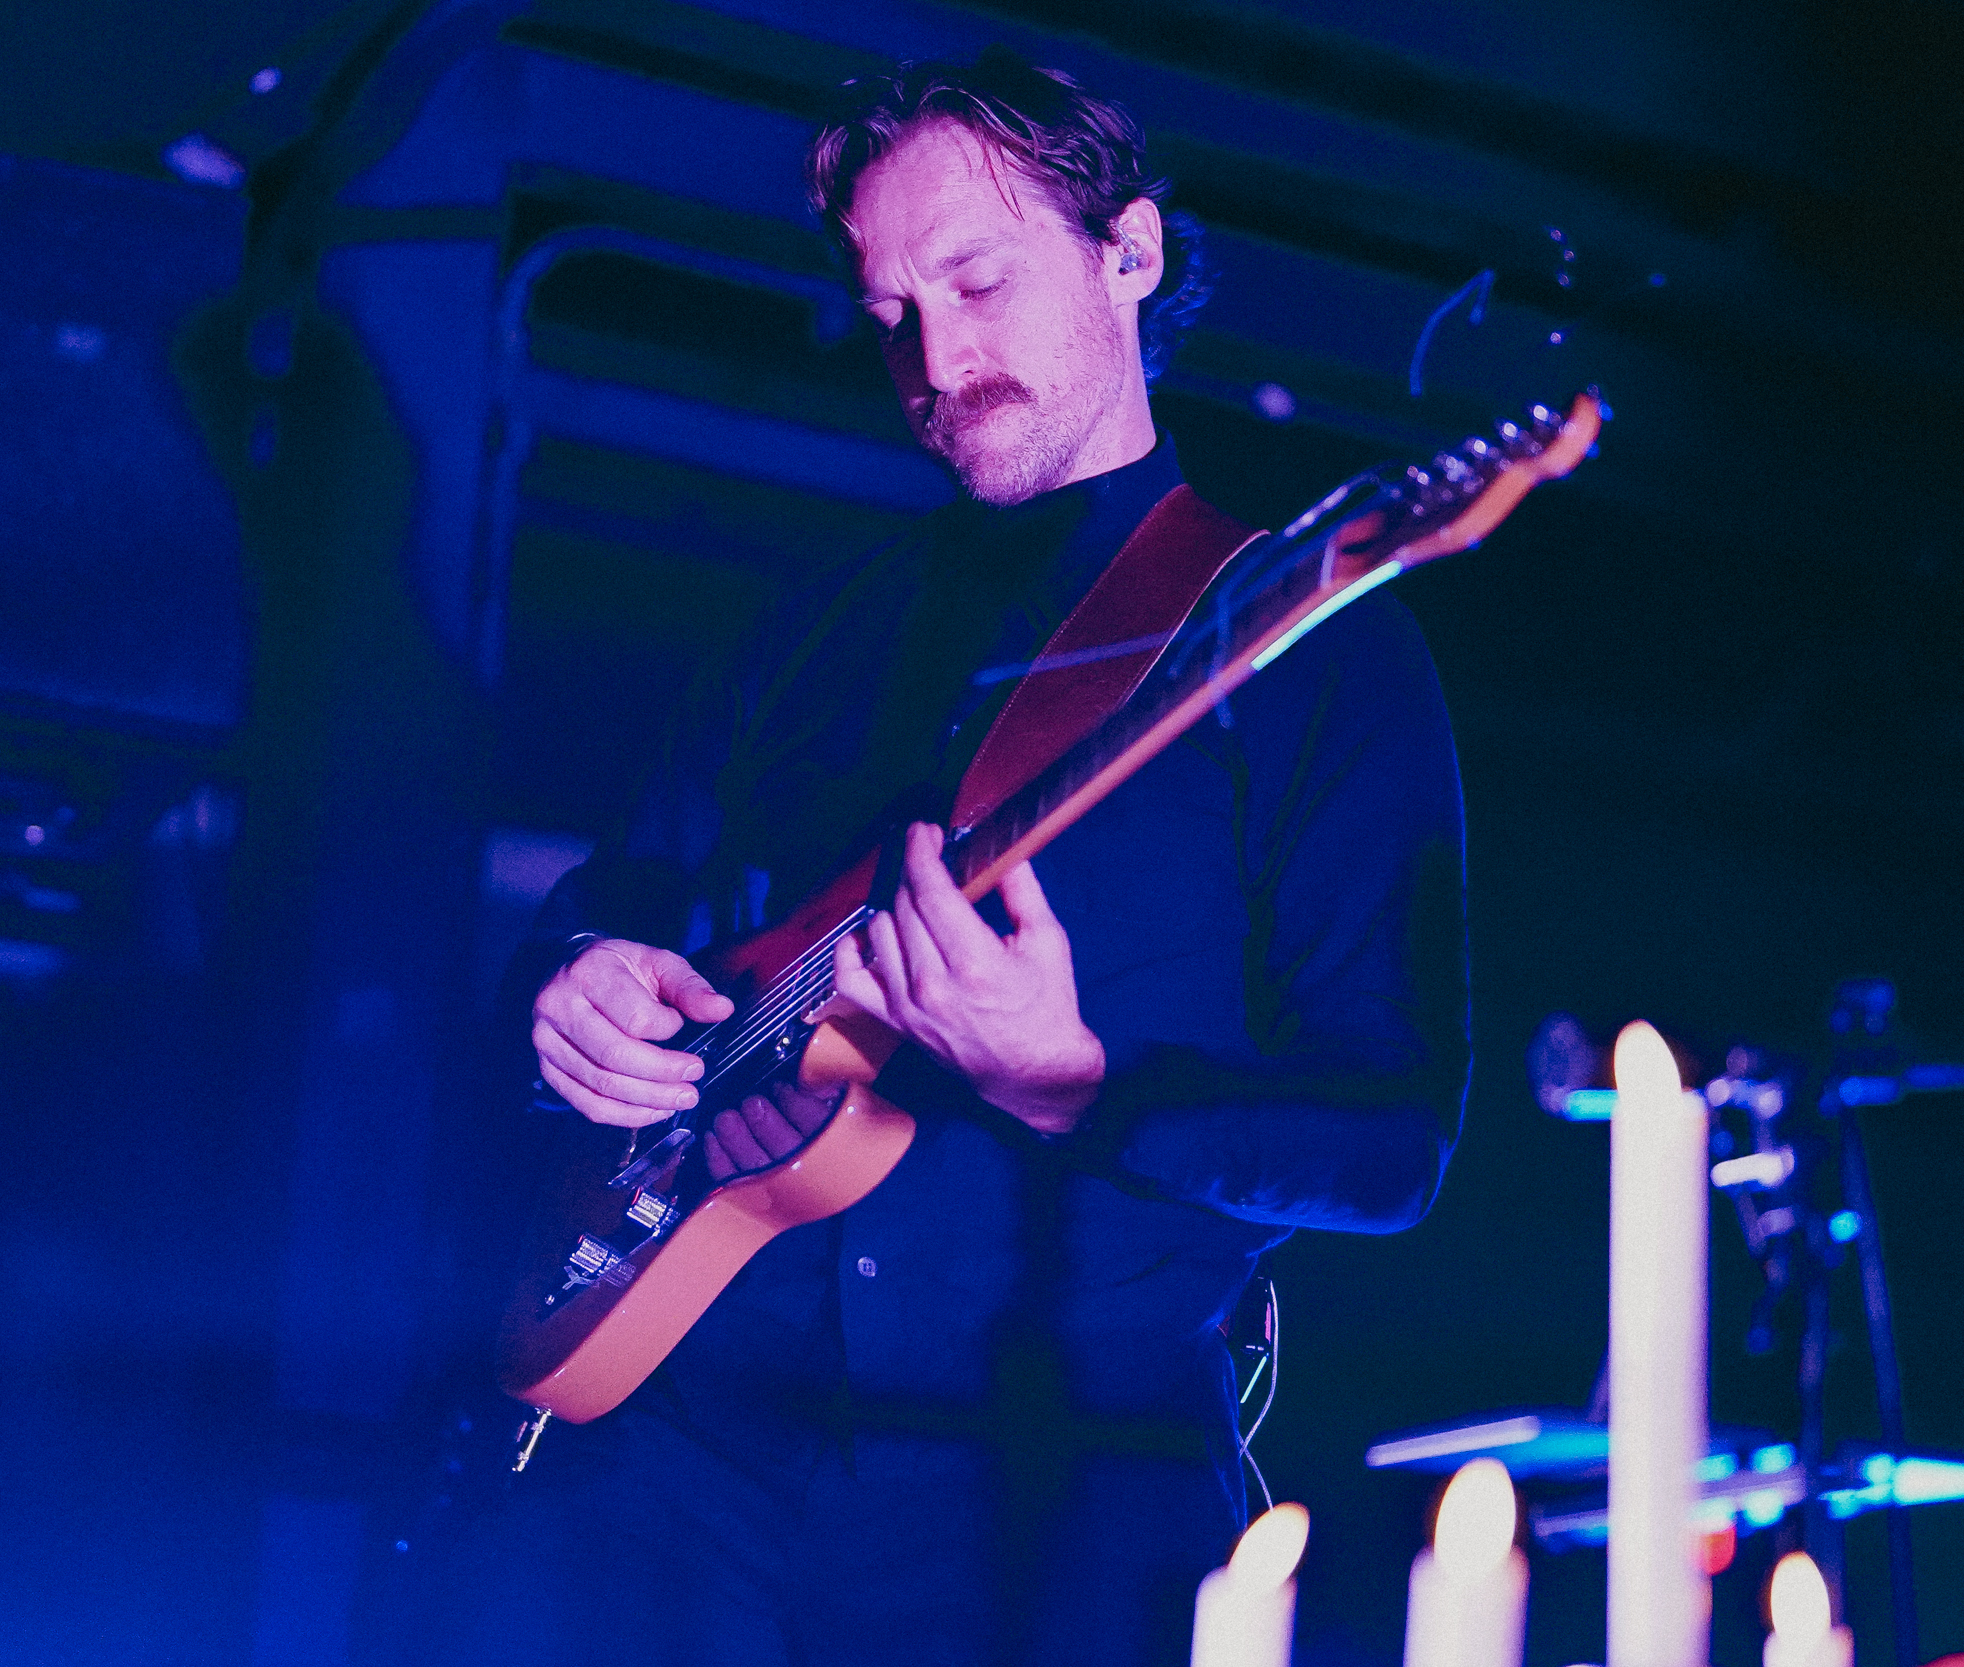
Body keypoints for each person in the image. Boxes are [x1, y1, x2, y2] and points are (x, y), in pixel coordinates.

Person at [458, 50, 1471, 1667]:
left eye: (980, 279)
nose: (935, 355)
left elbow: (1392, 1144)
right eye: (890, 312)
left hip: (1057, 1494)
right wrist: (571, 980)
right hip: (682, 1458)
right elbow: (628, 899)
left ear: (1129, 252)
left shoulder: (1317, 647)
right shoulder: (810, 632)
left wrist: (1072, 1075)